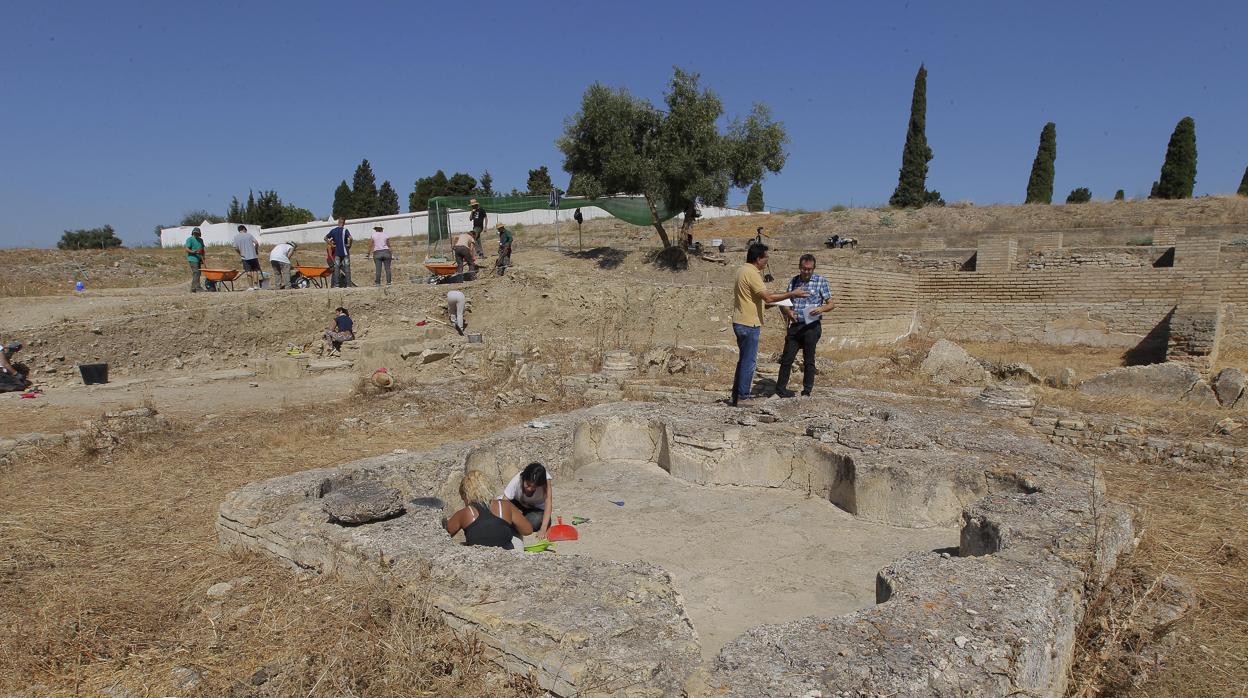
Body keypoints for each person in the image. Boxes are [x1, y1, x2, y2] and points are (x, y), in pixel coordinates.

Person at [730, 243, 807, 407]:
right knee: (749, 361)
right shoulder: (752, 273)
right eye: (766, 258)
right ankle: (743, 397)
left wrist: (775, 303)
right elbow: (768, 298)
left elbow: (756, 299)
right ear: (758, 259)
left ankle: (736, 396)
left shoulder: (741, 270)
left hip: (740, 320)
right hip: (749, 323)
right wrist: (793, 293)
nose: (767, 261)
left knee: (743, 360)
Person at [775, 254, 835, 398]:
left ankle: (807, 391)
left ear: (813, 268)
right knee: (787, 358)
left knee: (809, 359)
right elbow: (785, 302)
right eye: (803, 269)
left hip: (811, 326)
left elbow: (831, 304)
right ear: (799, 267)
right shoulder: (794, 281)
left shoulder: (821, 281)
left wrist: (821, 309)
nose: (806, 272)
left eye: (809, 269)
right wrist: (788, 311)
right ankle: (780, 390)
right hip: (795, 326)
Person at [445, 470, 534, 549]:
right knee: (516, 531)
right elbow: (527, 530)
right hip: (505, 556)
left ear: (465, 495)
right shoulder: (505, 505)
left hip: (477, 558)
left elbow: (445, 534)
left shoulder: (463, 513)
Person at [503, 462, 554, 540]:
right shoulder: (517, 480)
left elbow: (548, 504)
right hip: (518, 503)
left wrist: (543, 529)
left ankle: (518, 521)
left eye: (534, 487)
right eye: (528, 485)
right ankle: (518, 520)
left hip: (536, 509)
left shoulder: (546, 481)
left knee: (535, 521)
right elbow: (504, 501)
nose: (530, 489)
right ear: (524, 478)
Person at [230, 225, 262, 290]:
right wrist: (256, 250)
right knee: (255, 270)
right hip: (253, 256)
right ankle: (256, 286)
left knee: (248, 271)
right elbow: (256, 243)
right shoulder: (249, 235)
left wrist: (240, 253)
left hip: (244, 257)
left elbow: (235, 247)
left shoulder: (236, 237)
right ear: (244, 229)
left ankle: (251, 287)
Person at [324, 217, 353, 288]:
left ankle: (336, 285)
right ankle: (348, 284)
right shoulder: (345, 230)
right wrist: (349, 245)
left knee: (336, 269)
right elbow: (351, 238)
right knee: (347, 268)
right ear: (344, 223)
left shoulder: (333, 231)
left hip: (337, 252)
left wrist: (331, 244)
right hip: (345, 252)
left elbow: (325, 238)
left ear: (338, 222)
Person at [185, 227, 205, 293]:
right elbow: (187, 249)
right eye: (195, 233)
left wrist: (203, 257)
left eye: (197, 233)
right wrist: (193, 252)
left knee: (198, 273)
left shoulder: (201, 240)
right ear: (193, 233)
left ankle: (193, 289)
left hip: (199, 258)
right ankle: (197, 288)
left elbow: (202, 249)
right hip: (192, 258)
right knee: (196, 272)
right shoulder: (190, 239)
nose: (196, 234)